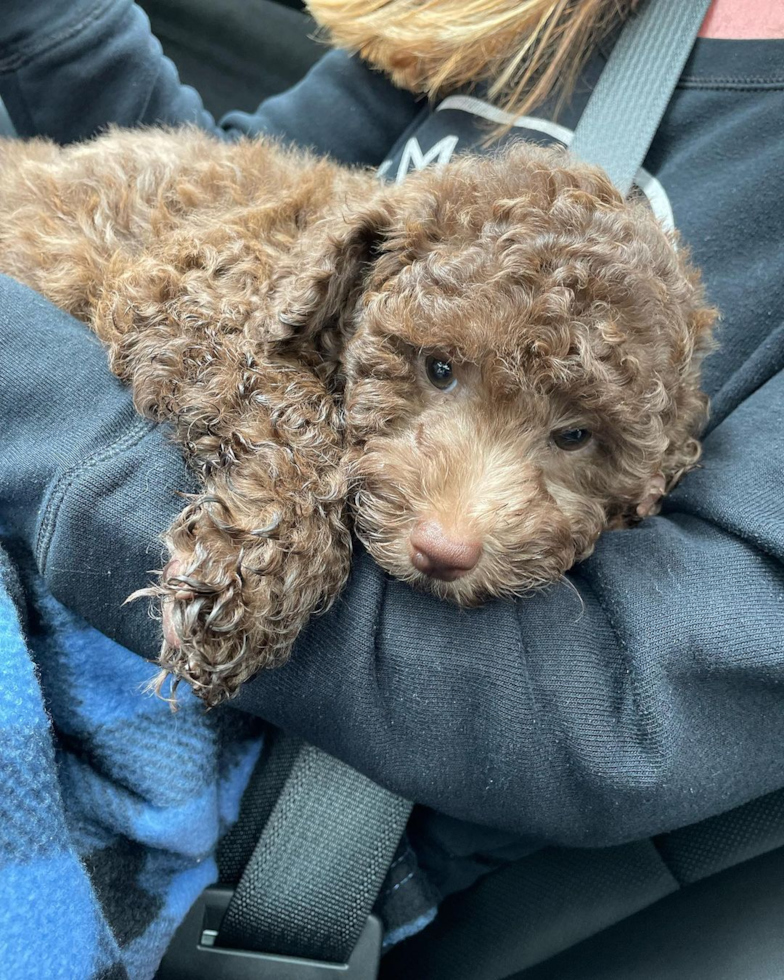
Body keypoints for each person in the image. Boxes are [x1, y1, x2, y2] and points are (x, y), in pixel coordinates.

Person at [1, 0, 783, 946]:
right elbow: (223, 203)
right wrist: (56, 26)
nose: (454, 527)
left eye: (572, 435)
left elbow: (613, 718)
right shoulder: (520, 18)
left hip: (273, 792)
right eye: (441, 370)